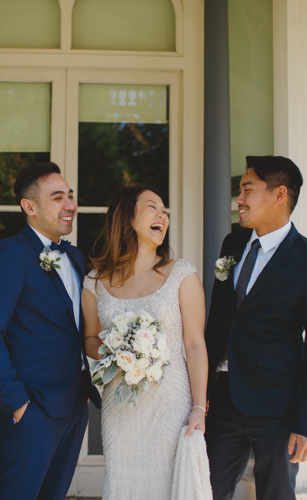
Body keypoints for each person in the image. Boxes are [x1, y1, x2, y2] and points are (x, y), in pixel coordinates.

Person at [204, 156, 307, 500]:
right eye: (239, 191)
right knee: (203, 491)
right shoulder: (231, 246)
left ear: (279, 194)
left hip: (278, 409)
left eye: (247, 190)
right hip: (220, 399)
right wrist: (199, 392)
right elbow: (218, 321)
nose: (239, 200)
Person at [0, 162, 101, 500]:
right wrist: (17, 403)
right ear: (29, 207)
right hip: (33, 407)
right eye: (58, 197)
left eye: (70, 196)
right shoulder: (10, 253)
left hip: (74, 403)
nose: (70, 204)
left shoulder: (73, 255)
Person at [82, 186, 209, 499]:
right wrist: (117, 350)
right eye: (153, 207)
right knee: (123, 481)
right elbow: (89, 339)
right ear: (128, 218)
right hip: (121, 408)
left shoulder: (182, 274)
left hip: (171, 403)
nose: (163, 215)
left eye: (165, 210)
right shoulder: (95, 282)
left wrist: (198, 406)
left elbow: (194, 344)